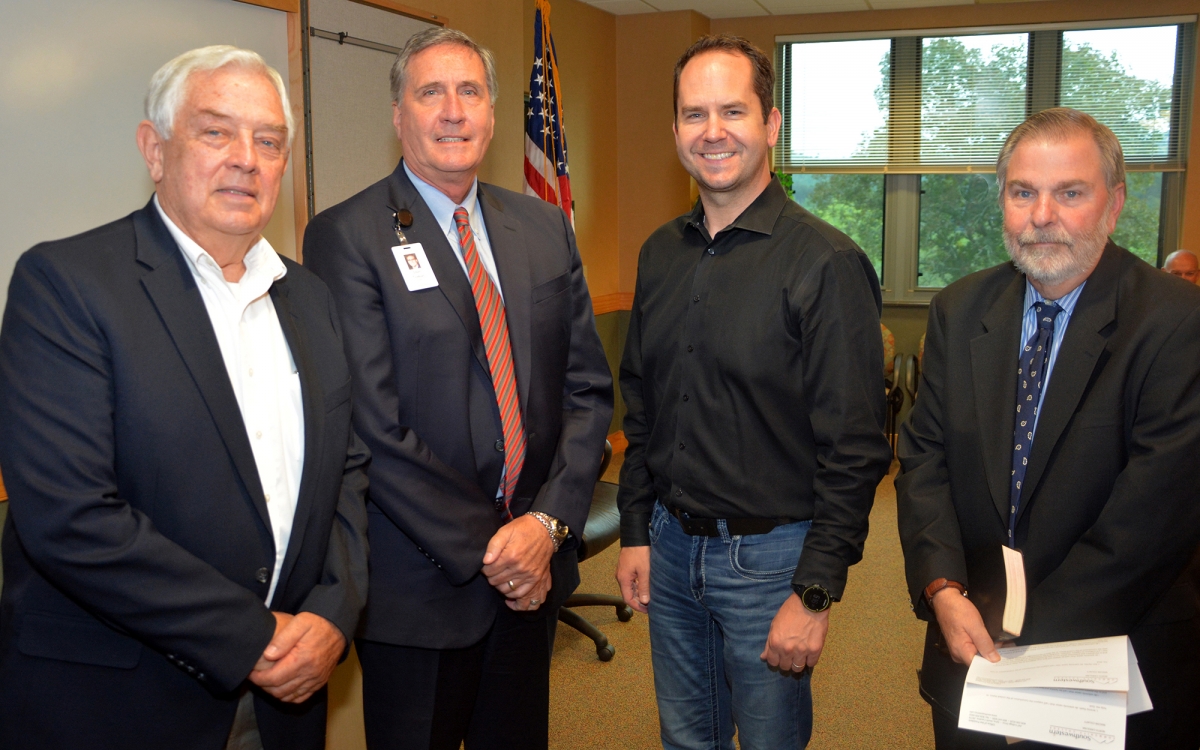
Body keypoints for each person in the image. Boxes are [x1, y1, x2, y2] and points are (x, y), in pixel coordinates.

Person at [0, 46, 370, 750]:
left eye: (269, 141)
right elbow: (71, 517)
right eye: (215, 132)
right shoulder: (66, 285)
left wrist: (333, 612)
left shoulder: (310, 297)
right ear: (154, 148)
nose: (246, 158)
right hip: (120, 701)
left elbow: (347, 470)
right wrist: (254, 635)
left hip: (290, 694)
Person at [302, 27, 612, 750]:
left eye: (469, 91)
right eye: (430, 91)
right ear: (398, 114)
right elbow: (373, 427)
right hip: (422, 588)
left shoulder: (541, 226)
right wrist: (499, 551)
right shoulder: (347, 237)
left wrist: (545, 528)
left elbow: (588, 391)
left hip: (532, 578)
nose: (452, 110)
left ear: (493, 114)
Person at [615, 34, 891, 750]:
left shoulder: (825, 262)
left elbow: (856, 446)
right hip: (672, 551)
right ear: (675, 130)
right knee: (686, 740)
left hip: (771, 563)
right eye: (693, 114)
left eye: (733, 111)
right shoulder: (659, 253)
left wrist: (815, 592)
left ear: (771, 125)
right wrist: (638, 530)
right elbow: (642, 402)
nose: (713, 132)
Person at [896, 107, 1200, 749]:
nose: (1042, 215)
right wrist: (943, 588)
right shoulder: (960, 308)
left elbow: (1148, 524)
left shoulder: (1176, 323)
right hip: (966, 651)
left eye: (1070, 193)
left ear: (1113, 204)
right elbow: (923, 463)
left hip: (1107, 664)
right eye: (1023, 192)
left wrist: (1021, 631)